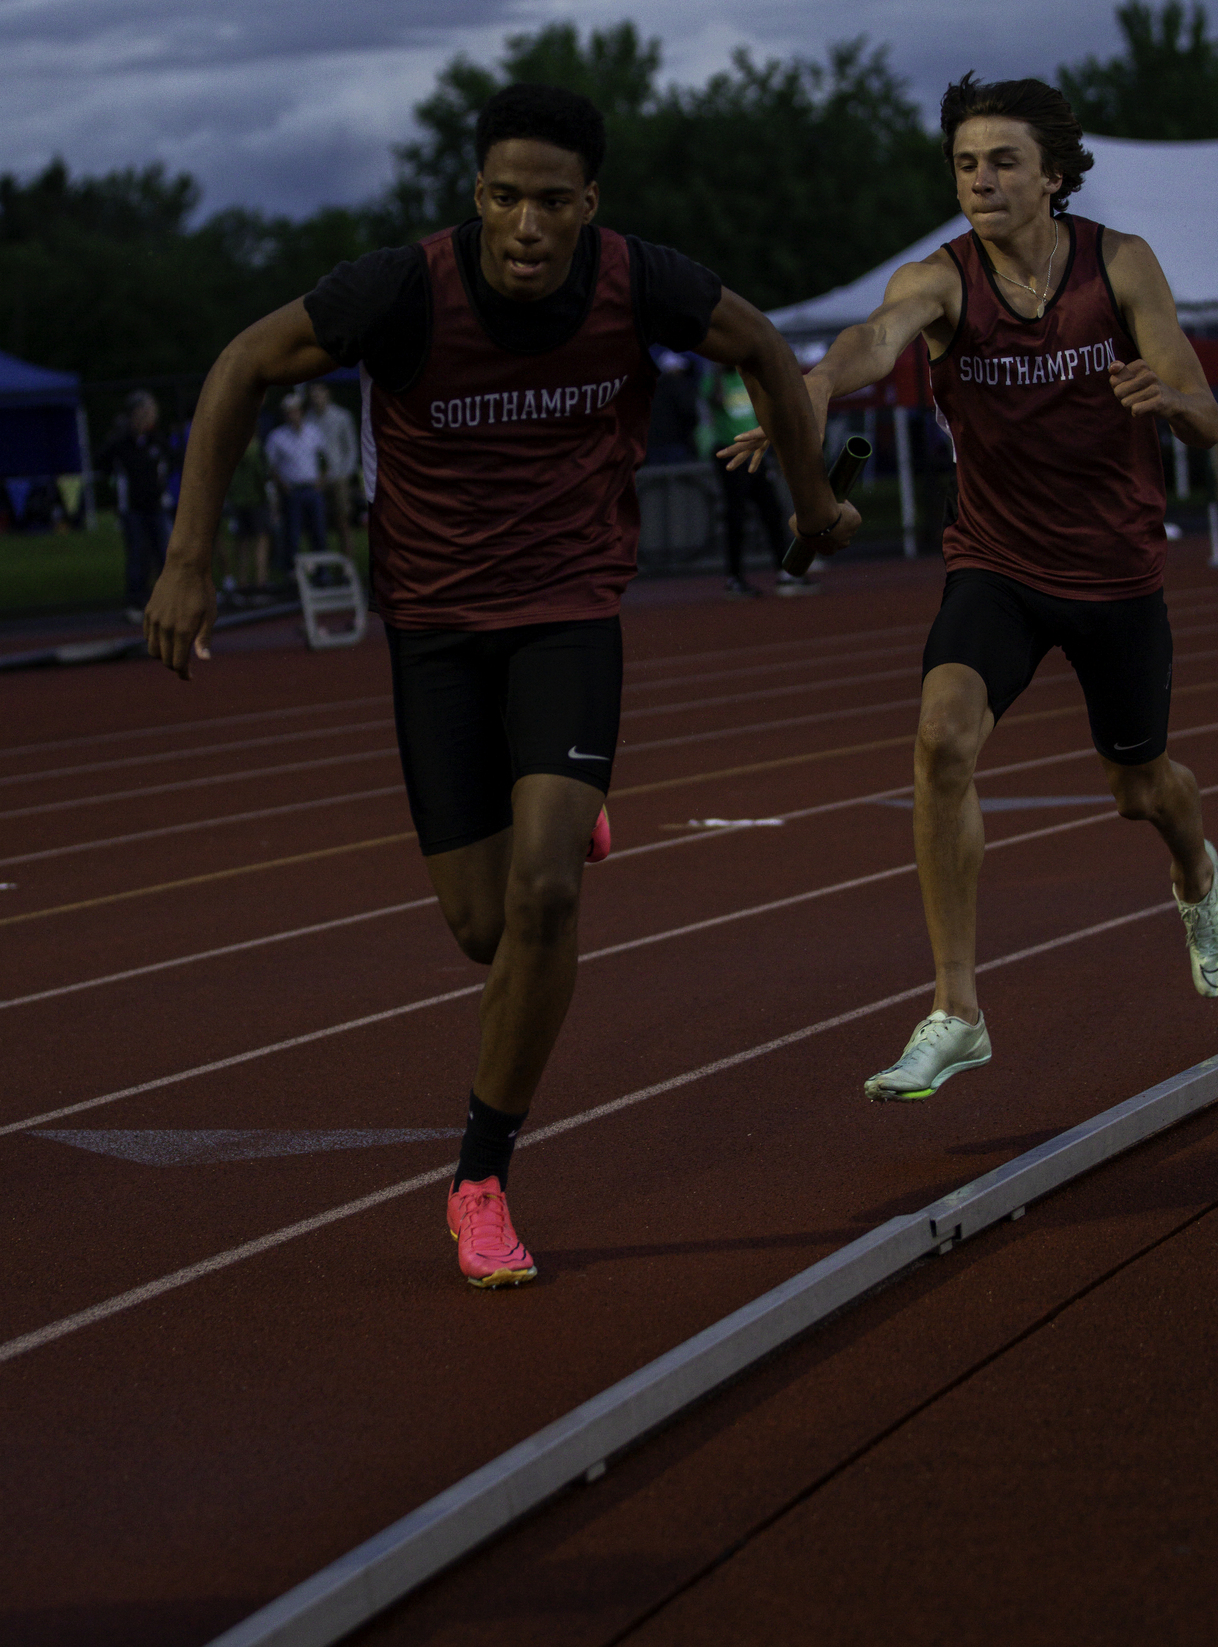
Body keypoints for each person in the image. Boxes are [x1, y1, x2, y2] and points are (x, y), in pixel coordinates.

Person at [143, 81, 859, 1286]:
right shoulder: (404, 291)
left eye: (552, 204)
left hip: (568, 615)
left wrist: (811, 499)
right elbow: (239, 367)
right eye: (506, 199)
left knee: (544, 898)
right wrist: (188, 559)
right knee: (485, 930)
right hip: (432, 631)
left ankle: (480, 1174)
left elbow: (763, 351)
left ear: (592, 204)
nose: (528, 227)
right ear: (478, 196)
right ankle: (557, 804)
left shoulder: (642, 282)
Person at [722, 72, 1218, 1105]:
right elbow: (878, 336)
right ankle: (956, 1010)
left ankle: (1197, 875)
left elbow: (1206, 413)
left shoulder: (1120, 264)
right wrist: (817, 386)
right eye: (965, 164)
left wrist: (1170, 399)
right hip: (998, 564)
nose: (980, 181)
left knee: (1141, 790)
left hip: (1117, 570)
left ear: (1053, 175)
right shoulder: (943, 280)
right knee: (942, 740)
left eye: (1003, 162)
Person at [707, 365, 812, 598]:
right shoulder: (714, 379)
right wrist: (717, 373)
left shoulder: (749, 377)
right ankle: (734, 578)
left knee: (772, 511)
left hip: (755, 453)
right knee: (736, 515)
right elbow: (716, 400)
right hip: (731, 452)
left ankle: (786, 572)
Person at [101, 390, 172, 619]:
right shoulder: (120, 443)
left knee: (165, 552)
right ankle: (136, 601)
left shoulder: (157, 441)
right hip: (132, 508)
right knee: (137, 555)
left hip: (156, 506)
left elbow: (170, 462)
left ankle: (166, 600)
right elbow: (102, 463)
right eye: (146, 410)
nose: (151, 415)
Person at [265, 391, 327, 573]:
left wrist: (322, 479)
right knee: (292, 534)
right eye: (289, 412)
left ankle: (322, 571)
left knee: (318, 532)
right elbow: (271, 465)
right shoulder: (277, 437)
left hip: (312, 488)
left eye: (295, 411)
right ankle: (292, 573)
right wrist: (281, 484)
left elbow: (323, 457)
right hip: (292, 491)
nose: (293, 415)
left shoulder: (313, 432)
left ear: (301, 411)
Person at [308, 379, 361, 558]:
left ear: (327, 393)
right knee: (318, 523)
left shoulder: (341, 416)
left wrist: (346, 473)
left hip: (339, 476)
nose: (317, 397)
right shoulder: (308, 419)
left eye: (320, 393)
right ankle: (323, 565)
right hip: (318, 478)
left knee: (342, 521)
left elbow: (351, 447)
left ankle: (348, 563)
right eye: (313, 394)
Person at [217, 431, 273, 597]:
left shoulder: (231, 449)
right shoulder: (255, 449)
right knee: (261, 539)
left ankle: (242, 583)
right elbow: (262, 474)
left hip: (237, 502)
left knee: (241, 543)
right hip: (256, 500)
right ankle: (260, 582)